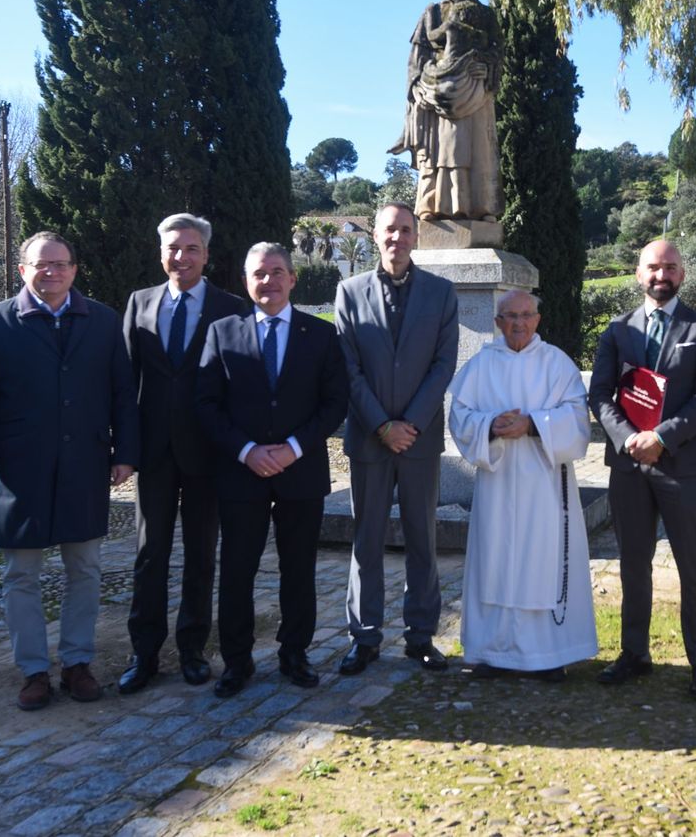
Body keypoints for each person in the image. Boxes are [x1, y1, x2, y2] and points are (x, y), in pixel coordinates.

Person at [0, 231, 139, 711]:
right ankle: (34, 671)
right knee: (22, 575)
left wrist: (125, 453)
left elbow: (123, 393)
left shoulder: (102, 321)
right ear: (23, 270)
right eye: (41, 264)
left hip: (85, 467)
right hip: (19, 473)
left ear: (75, 270)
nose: (50, 272)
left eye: (60, 264)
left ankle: (77, 663)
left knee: (86, 569)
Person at [195, 243, 348, 698]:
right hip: (242, 473)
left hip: (300, 473)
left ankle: (294, 653)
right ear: (246, 281)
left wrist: (294, 448)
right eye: (259, 274)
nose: (269, 281)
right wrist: (246, 451)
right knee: (237, 570)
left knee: (298, 569)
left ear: (293, 279)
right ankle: (236, 662)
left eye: (278, 272)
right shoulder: (222, 333)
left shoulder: (321, 335)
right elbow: (206, 403)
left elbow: (334, 403)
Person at [118, 213, 252, 694]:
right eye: (173, 248)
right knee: (149, 554)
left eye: (191, 248)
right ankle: (144, 653)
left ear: (206, 255)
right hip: (153, 453)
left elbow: (240, 386)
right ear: (161, 252)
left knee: (201, 554)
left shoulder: (231, 308)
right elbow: (124, 382)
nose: (182, 256)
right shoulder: (139, 303)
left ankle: (193, 648)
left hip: (208, 453)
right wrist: (123, 449)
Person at [588, 239, 696, 701]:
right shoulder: (616, 330)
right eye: (652, 267)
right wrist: (629, 439)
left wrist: (662, 437)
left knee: (693, 564)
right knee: (632, 563)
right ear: (638, 272)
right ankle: (633, 652)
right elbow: (600, 395)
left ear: (682, 274)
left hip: (680, 465)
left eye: (670, 267)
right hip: (628, 467)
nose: (660, 275)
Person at [333, 201, 460, 675]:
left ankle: (421, 636)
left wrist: (410, 424)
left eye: (406, 230)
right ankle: (364, 637)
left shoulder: (441, 293)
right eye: (390, 230)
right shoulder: (349, 292)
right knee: (366, 542)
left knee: (422, 540)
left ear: (416, 237)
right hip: (369, 440)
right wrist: (382, 425)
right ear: (375, 236)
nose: (398, 238)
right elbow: (348, 367)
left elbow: (442, 365)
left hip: (420, 442)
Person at [449, 290, 596, 679]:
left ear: (537, 319)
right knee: (495, 561)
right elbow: (461, 416)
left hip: (544, 484)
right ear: (497, 322)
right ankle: (493, 652)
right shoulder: (482, 364)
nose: (518, 322)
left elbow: (578, 421)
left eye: (526, 315)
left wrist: (532, 425)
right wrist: (490, 426)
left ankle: (547, 655)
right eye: (510, 316)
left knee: (541, 560)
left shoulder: (557, 363)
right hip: (497, 482)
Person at [390, 0, 503, 221]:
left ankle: (480, 208)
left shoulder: (484, 13)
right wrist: (419, 85)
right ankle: (434, 207)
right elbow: (416, 56)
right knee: (440, 151)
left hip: (473, 88)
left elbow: (498, 51)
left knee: (476, 150)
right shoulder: (433, 12)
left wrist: (486, 68)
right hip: (436, 90)